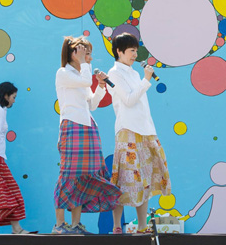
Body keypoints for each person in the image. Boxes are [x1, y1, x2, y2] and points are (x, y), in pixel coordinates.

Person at [53, 36, 121, 234]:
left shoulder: (81, 74)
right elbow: (83, 80)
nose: (89, 57)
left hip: (87, 126)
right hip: (72, 127)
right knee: (68, 174)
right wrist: (85, 66)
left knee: (84, 176)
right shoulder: (63, 73)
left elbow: (92, 104)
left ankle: (75, 225)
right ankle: (59, 225)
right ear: (73, 53)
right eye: (85, 52)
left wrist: (100, 86)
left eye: (89, 53)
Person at [108, 33, 171, 234]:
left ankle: (142, 226)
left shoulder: (135, 74)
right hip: (127, 131)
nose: (135, 54)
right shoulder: (114, 73)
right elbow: (128, 100)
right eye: (131, 50)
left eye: (136, 50)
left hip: (145, 130)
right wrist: (146, 81)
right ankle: (117, 225)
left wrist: (143, 79)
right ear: (119, 51)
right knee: (124, 178)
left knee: (144, 177)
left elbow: (141, 105)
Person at [0, 82, 37, 234]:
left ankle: (17, 228)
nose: (14, 101)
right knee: (9, 192)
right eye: (13, 97)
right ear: (6, 95)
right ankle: (17, 228)